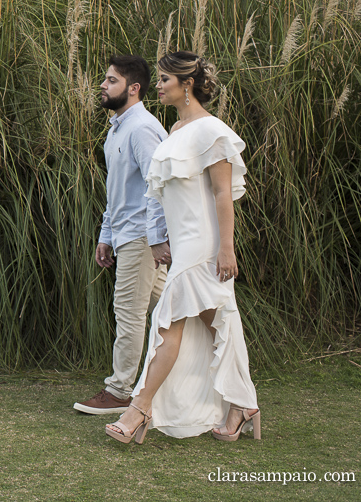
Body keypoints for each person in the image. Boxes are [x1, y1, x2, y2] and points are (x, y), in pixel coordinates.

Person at [106, 51, 260, 443]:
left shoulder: (212, 131)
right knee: (217, 322)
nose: (157, 86)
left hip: (204, 244)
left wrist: (226, 248)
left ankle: (138, 409)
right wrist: (160, 237)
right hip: (183, 240)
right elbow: (161, 196)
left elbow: (223, 194)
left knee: (168, 318)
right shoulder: (175, 132)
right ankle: (242, 404)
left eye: (164, 80)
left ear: (186, 84)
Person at [74, 56, 171, 415]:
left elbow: (158, 186)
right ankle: (202, 368)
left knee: (129, 312)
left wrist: (157, 236)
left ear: (134, 88)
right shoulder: (117, 128)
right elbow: (117, 192)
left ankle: (119, 391)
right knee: (170, 306)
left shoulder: (142, 129)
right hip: (128, 234)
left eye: (111, 80)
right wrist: (106, 235)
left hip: (142, 237)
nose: (102, 85)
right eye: (104, 79)